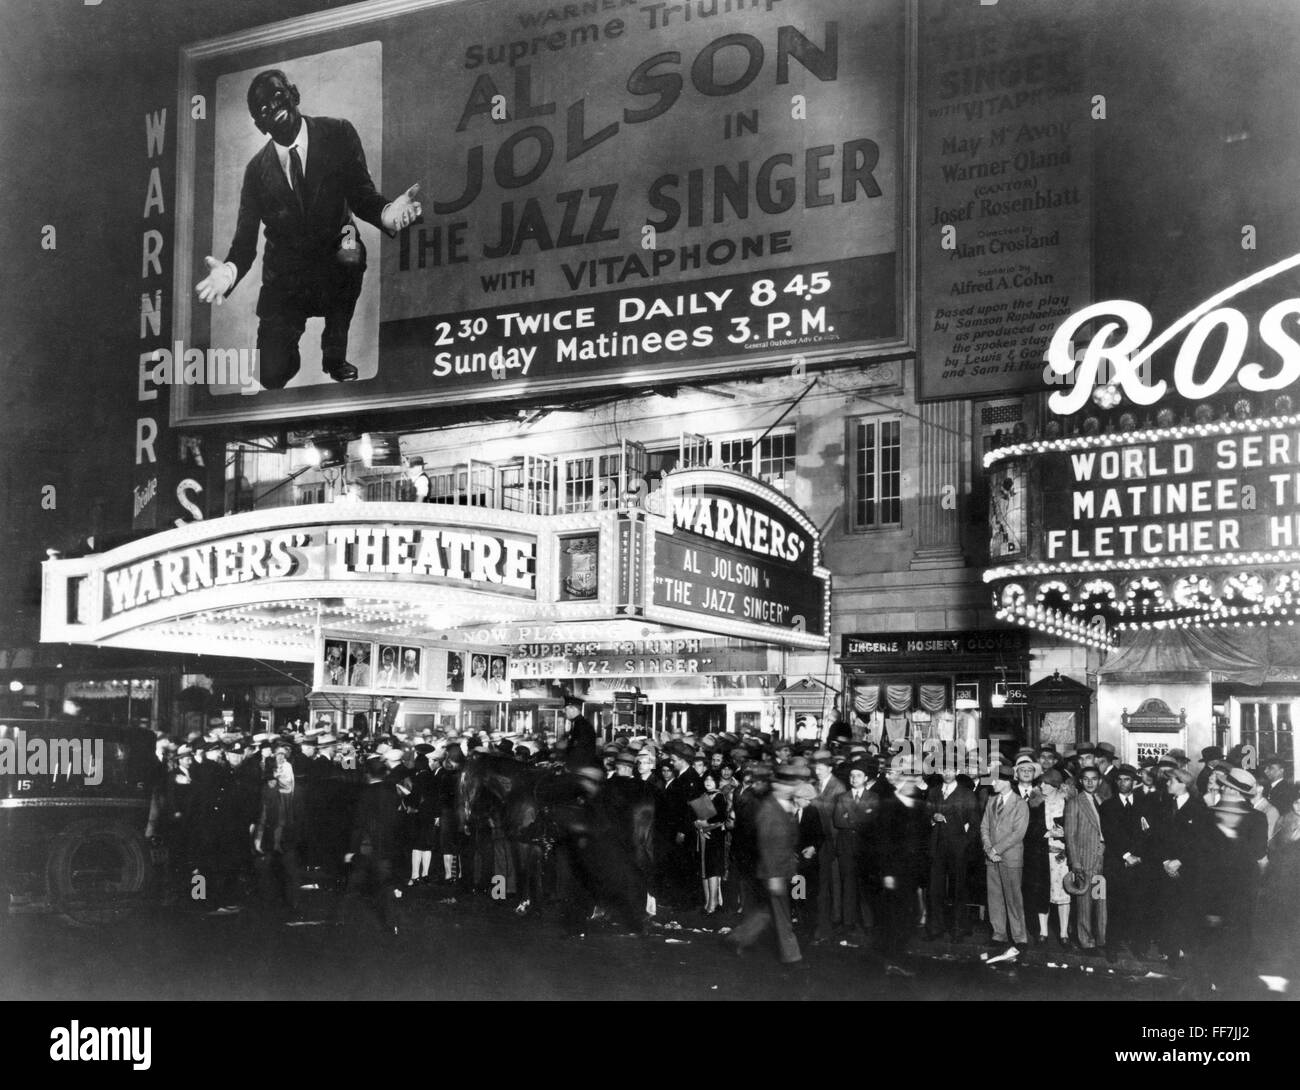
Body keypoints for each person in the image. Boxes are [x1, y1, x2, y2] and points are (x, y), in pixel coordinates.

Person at [194, 69, 422, 388]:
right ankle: (288, 354)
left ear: (294, 94)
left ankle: (334, 353)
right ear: (260, 126)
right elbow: (245, 244)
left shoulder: (338, 133)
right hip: (286, 277)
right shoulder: (255, 173)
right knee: (272, 374)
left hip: (338, 256)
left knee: (350, 253)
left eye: (278, 96)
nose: (274, 108)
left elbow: (361, 194)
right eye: (263, 110)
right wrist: (228, 272)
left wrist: (386, 214)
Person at [724, 769, 803, 965]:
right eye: (789, 785)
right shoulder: (769, 809)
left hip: (784, 869)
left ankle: (739, 937)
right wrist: (774, 875)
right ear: (778, 787)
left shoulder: (783, 805)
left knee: (768, 910)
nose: (793, 788)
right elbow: (766, 844)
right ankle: (792, 955)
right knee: (781, 913)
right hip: (774, 871)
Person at [336, 756, 403, 933]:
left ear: (368, 774)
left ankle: (341, 919)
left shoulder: (364, 794)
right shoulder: (392, 793)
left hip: (366, 846)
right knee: (386, 886)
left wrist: (352, 850)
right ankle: (393, 923)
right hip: (385, 846)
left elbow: (358, 824)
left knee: (353, 884)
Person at [1098, 764, 1150, 961]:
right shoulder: (1107, 806)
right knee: (1115, 906)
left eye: (1126, 779)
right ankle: (1112, 946)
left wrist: (1138, 856)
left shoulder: (1145, 804)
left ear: (1134, 782)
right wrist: (1126, 855)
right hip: (1117, 863)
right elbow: (1110, 834)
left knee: (1138, 905)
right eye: (1118, 780)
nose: (1122, 783)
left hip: (1139, 863)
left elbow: (1148, 834)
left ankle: (1139, 946)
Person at [926, 755, 979, 940]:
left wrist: (964, 844)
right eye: (943, 769)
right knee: (935, 889)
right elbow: (925, 816)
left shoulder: (967, 794)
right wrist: (933, 819)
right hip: (937, 847)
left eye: (951, 770)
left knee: (958, 889)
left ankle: (958, 929)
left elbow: (974, 825)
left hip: (958, 848)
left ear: (957, 772)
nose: (947, 773)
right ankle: (935, 929)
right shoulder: (933, 791)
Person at [980, 765, 1029, 962]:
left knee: (1013, 899)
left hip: (1010, 857)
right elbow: (984, 826)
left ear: (1007, 782)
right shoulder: (992, 800)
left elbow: (1018, 833)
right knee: (995, 897)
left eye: (996, 780)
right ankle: (998, 934)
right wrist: (988, 849)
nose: (992, 783)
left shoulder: (1020, 804)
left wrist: (995, 850)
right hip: (992, 857)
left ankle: (1019, 938)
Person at [1063, 765, 1107, 954]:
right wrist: (1076, 863)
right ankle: (1085, 941)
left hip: (1101, 859)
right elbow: (1070, 836)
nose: (1090, 782)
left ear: (1100, 781)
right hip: (1084, 860)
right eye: (1086, 779)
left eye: (1094, 778)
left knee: (1100, 900)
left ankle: (1101, 939)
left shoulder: (1103, 801)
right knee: (1084, 904)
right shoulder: (1075, 803)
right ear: (1080, 781)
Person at [561, 696, 598, 768]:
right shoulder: (578, 723)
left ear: (573, 709)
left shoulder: (582, 725)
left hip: (581, 766)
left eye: (566, 709)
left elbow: (580, 749)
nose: (564, 711)